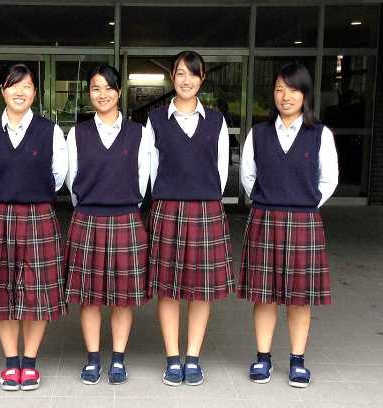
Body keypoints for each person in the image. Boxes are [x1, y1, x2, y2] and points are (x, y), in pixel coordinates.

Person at [238, 63, 338, 388]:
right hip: (265, 219)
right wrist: (268, 201)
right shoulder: (259, 133)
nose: (285, 96)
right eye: (280, 89)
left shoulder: (320, 134)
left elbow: (329, 179)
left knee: (299, 297)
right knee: (264, 295)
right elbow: (248, 177)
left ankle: (297, 361)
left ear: (305, 95)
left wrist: (305, 204)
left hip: (304, 222)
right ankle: (263, 358)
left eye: (293, 90)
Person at [0, 63, 68, 391]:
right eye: (13, 85)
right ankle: (11, 361)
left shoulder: (50, 131)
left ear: (35, 93)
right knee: (2, 291)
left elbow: (58, 176)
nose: (20, 92)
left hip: (39, 217)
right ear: (2, 90)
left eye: (26, 86)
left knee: (37, 292)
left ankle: (30, 361)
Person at [146, 51, 235, 386]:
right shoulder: (155, 120)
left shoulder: (216, 121)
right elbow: (150, 171)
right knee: (168, 289)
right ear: (172, 77)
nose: (186, 80)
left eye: (193, 74)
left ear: (202, 78)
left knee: (201, 290)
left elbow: (221, 171)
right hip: (167, 209)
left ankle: (193, 357)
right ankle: (173, 358)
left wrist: (202, 197)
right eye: (180, 73)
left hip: (205, 211)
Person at [64, 64, 151, 385]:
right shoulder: (77, 133)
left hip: (126, 219)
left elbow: (143, 179)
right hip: (87, 218)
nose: (102, 94)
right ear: (89, 94)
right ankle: (92, 359)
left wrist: (123, 205)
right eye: (95, 88)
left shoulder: (139, 133)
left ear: (119, 92)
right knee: (89, 297)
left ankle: (117, 358)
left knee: (122, 297)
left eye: (108, 88)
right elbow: (72, 180)